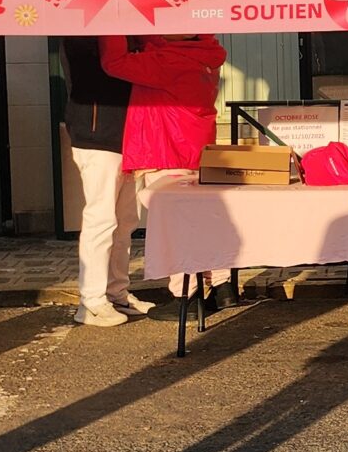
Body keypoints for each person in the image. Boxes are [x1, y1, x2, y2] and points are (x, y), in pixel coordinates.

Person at [102, 33, 231, 313]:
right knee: (201, 221)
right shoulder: (205, 54)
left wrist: (112, 24)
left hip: (167, 149)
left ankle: (186, 295)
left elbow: (114, 63)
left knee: (175, 228)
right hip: (195, 147)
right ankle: (222, 286)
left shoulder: (168, 60)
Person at [61, 37, 151, 328]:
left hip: (129, 136)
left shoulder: (128, 30)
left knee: (126, 220)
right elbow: (99, 68)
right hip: (97, 135)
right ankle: (92, 301)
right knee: (101, 219)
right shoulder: (83, 31)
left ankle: (116, 293)